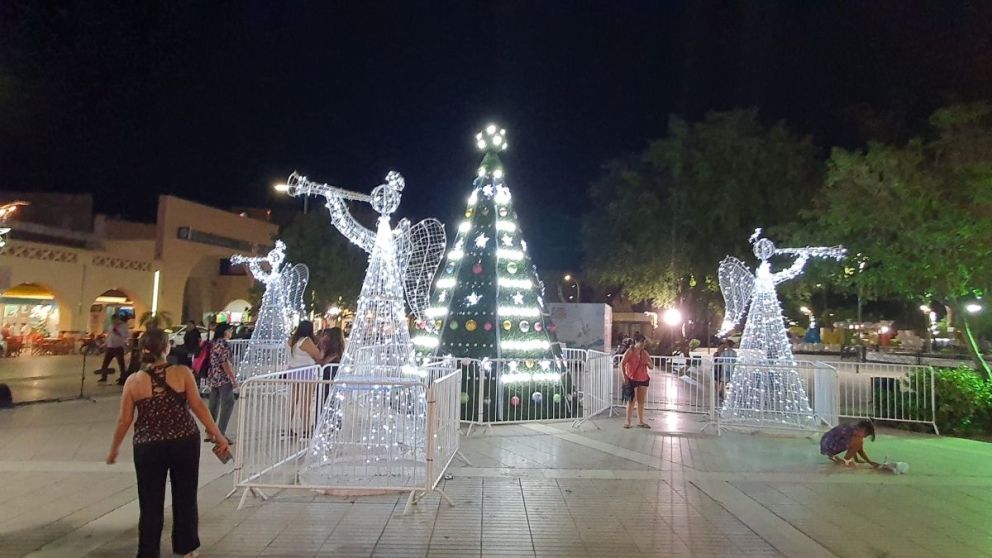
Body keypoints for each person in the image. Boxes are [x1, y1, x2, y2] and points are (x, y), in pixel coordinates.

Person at [106, 328, 229, 558]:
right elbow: (199, 407)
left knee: (150, 501)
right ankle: (186, 548)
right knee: (185, 496)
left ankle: (148, 551)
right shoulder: (182, 373)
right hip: (184, 441)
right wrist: (218, 435)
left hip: (148, 446)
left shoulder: (133, 381)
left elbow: (125, 419)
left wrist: (114, 449)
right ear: (166, 348)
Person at [286, 321, 324, 437]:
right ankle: (306, 430)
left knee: (294, 400)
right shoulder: (306, 341)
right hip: (306, 373)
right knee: (306, 402)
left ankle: (288, 428)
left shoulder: (291, 340)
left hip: (293, 371)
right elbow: (319, 355)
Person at [206, 323, 237, 444]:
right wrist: (233, 378)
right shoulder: (224, 344)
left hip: (213, 375)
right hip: (222, 377)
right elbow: (225, 363)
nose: (231, 333)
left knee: (214, 403)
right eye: (230, 330)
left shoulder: (214, 342)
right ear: (225, 332)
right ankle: (220, 434)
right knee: (228, 403)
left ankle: (210, 432)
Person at [621, 333, 653, 429]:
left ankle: (641, 421)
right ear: (636, 342)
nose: (643, 344)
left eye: (644, 342)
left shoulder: (645, 353)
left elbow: (651, 366)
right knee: (631, 401)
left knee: (641, 401)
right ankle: (628, 422)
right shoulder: (629, 352)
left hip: (643, 378)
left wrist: (646, 362)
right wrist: (625, 377)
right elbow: (622, 364)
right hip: (632, 378)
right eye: (641, 342)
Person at [97, 314, 130, 383]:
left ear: (118, 319)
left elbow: (125, 336)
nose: (114, 322)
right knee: (105, 362)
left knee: (121, 363)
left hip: (118, 347)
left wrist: (117, 331)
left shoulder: (123, 326)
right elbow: (109, 336)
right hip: (110, 347)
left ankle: (123, 377)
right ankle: (104, 376)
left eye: (115, 320)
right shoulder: (111, 326)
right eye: (113, 320)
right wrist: (105, 344)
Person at [713, 339, 737, 403]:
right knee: (730, 381)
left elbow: (720, 360)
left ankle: (723, 394)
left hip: (724, 368)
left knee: (723, 382)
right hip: (731, 369)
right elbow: (735, 361)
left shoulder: (724, 353)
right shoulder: (734, 353)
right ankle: (730, 395)